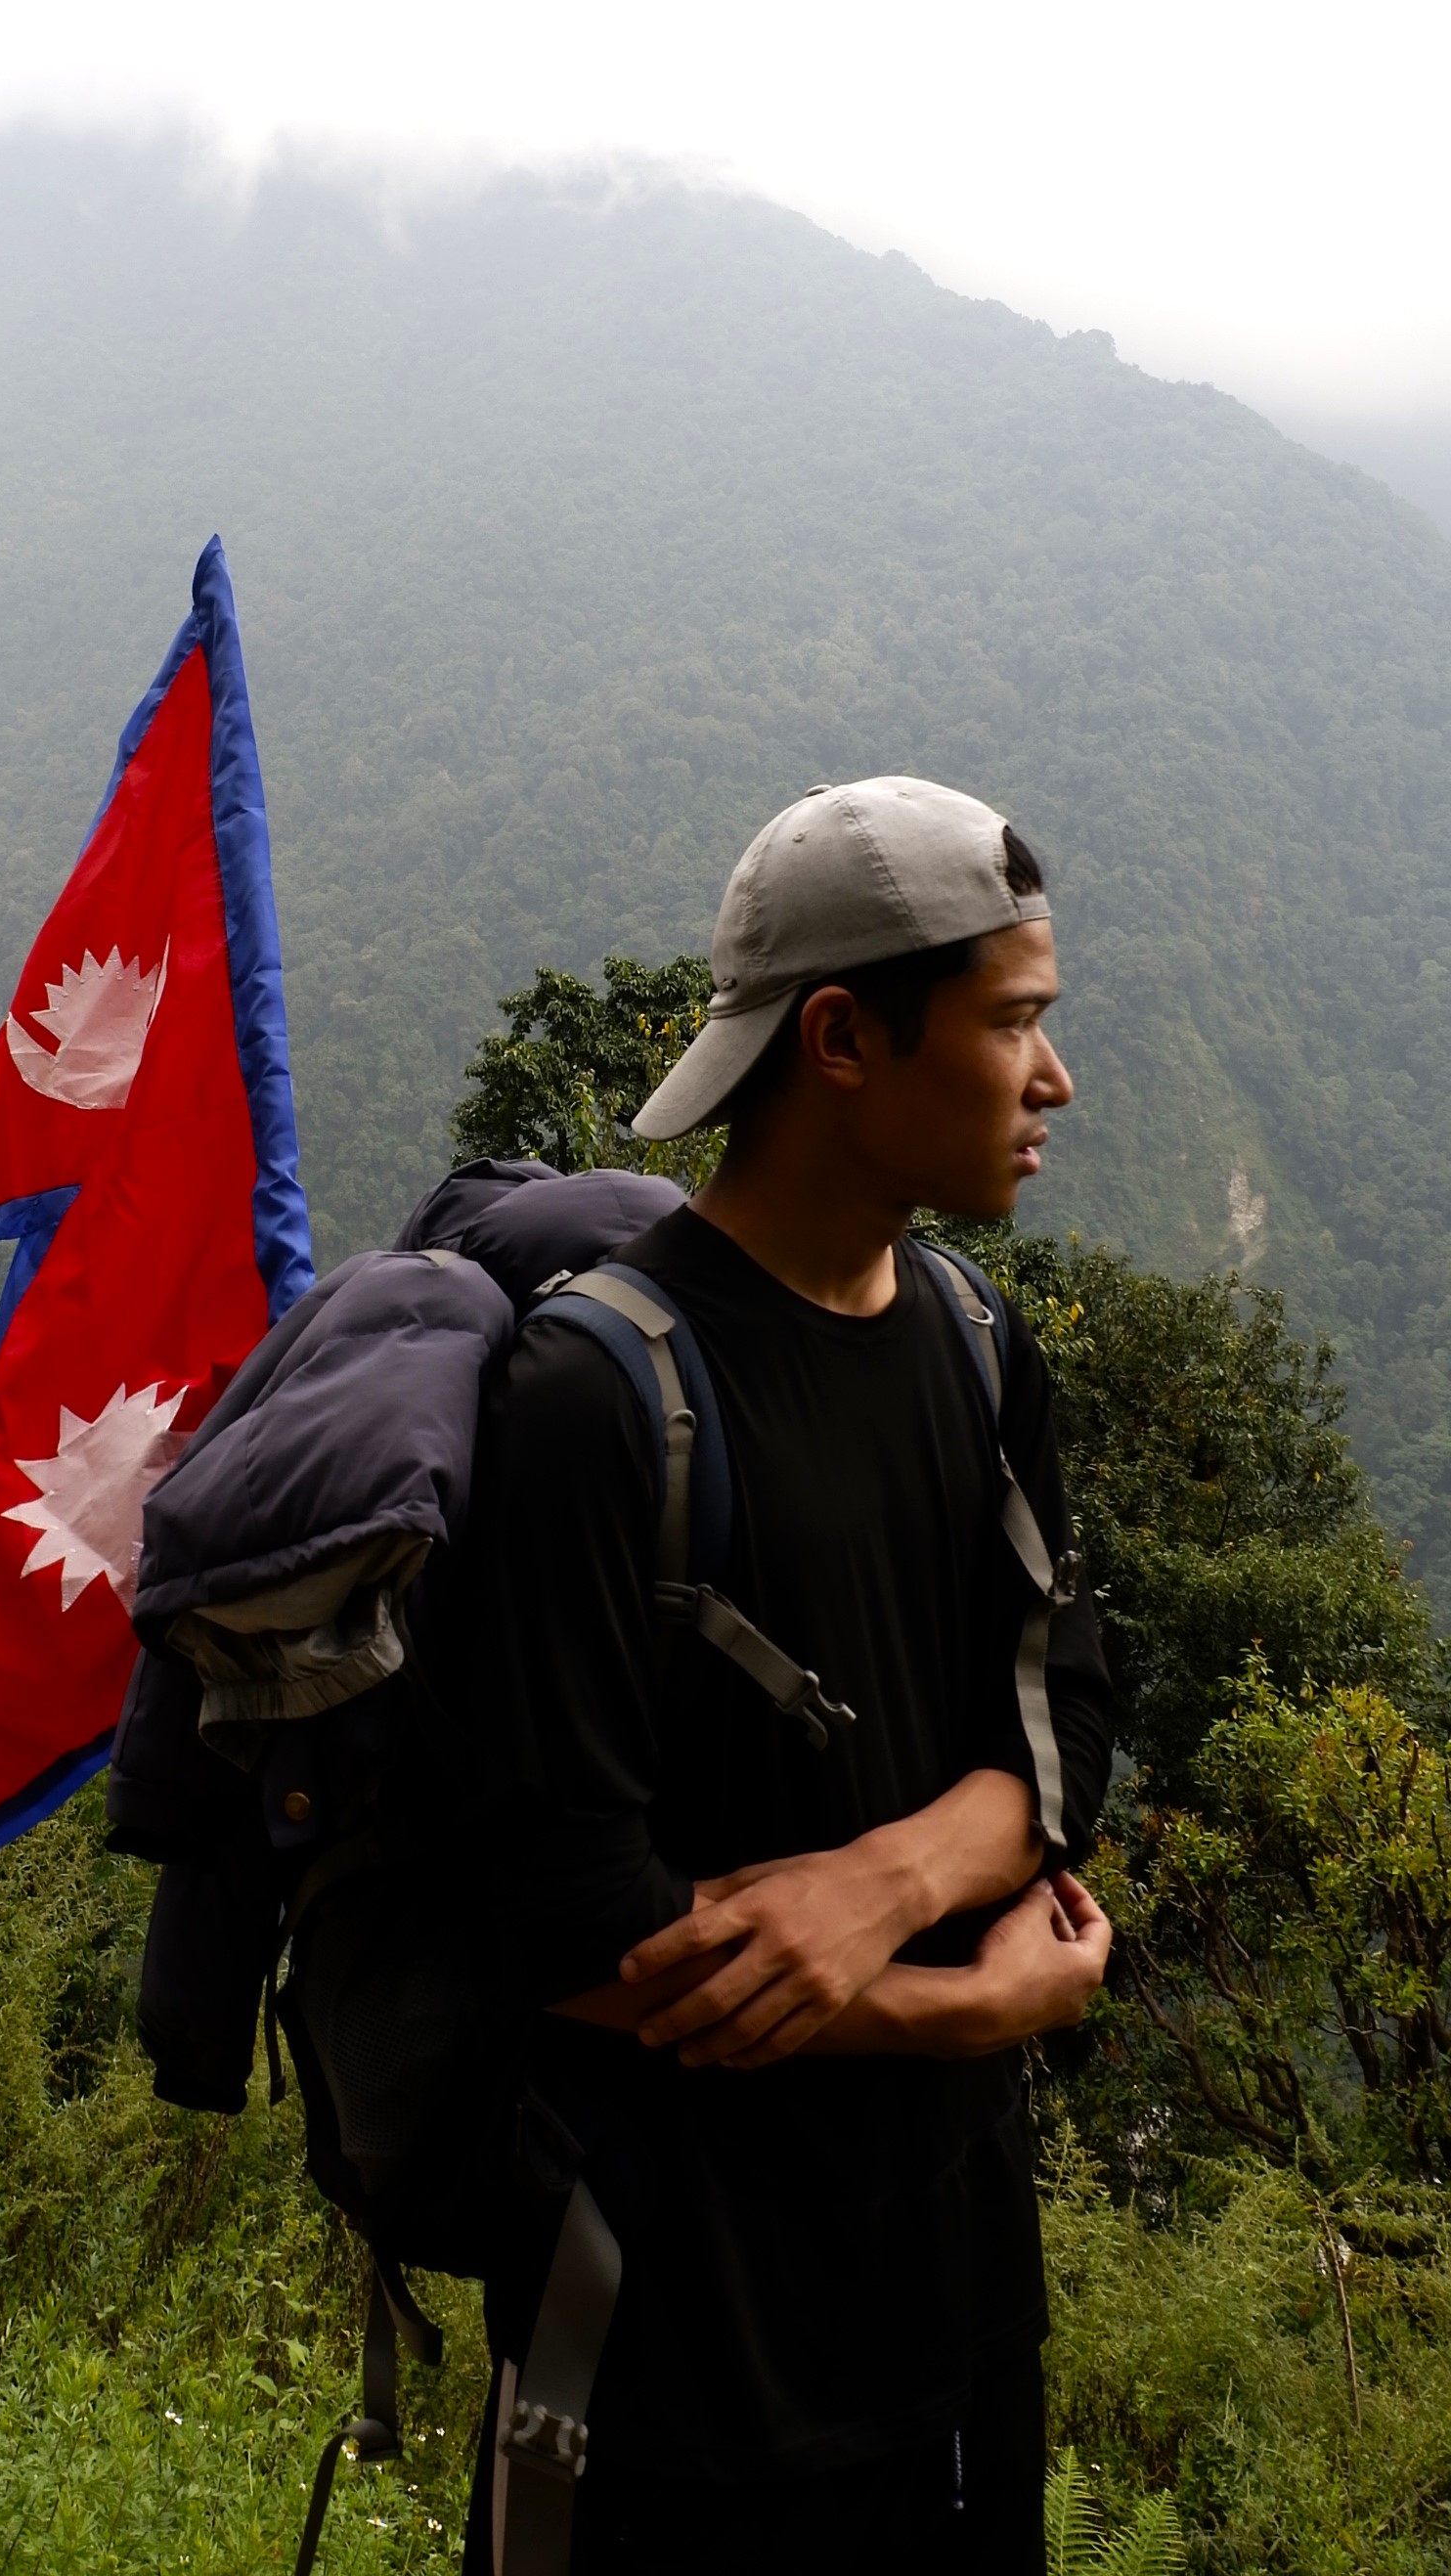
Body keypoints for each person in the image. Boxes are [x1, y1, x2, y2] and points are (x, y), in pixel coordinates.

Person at [464, 776, 1117, 2575]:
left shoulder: (978, 1348)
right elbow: (561, 1924)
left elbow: (1067, 1726)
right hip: (676, 2365)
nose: (1054, 1080)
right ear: (840, 1039)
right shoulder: (599, 1400)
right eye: (1013, 1023)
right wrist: (960, 2009)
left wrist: (882, 1882)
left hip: (960, 2317)